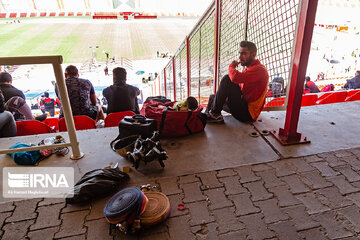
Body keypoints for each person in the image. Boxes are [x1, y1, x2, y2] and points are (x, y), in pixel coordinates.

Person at [206, 41, 269, 123]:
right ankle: (208, 116)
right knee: (213, 98)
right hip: (242, 106)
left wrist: (231, 66)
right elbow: (237, 87)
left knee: (227, 79)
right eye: (240, 53)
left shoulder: (260, 70)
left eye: (243, 54)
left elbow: (234, 78)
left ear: (253, 55)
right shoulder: (247, 69)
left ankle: (215, 114)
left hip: (248, 114)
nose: (240, 57)